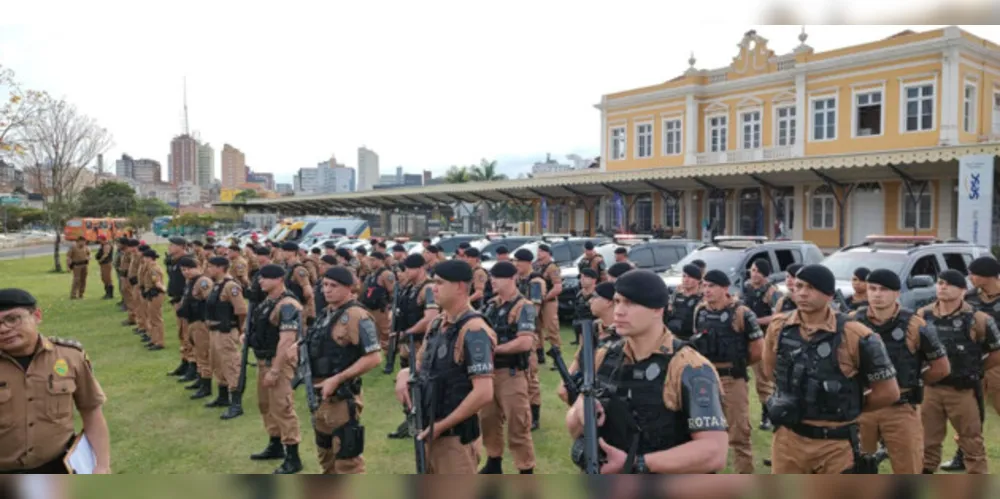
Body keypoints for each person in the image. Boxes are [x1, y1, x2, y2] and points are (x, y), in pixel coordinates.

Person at [564, 270, 730, 474]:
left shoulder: (689, 367)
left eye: (631, 303)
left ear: (657, 310)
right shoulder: (603, 356)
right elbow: (574, 427)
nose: (619, 311)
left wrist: (635, 463)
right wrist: (581, 412)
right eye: (617, 301)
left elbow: (714, 452)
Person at [761, 264, 900, 474]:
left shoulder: (857, 335)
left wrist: (846, 404)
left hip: (836, 443)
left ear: (828, 294)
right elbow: (770, 370)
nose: (802, 293)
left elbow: (888, 392)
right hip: (788, 439)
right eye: (798, 286)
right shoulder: (779, 327)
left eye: (811, 287)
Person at [394, 260, 498, 474]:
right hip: (430, 428)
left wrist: (441, 426)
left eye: (440, 283)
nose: (433, 288)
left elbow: (484, 392)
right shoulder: (438, 324)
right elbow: (421, 364)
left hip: (454, 439)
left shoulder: (474, 330)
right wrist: (404, 373)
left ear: (460, 287)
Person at [849, 268, 951, 474]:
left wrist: (911, 381)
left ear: (897, 293)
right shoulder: (851, 322)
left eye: (884, 289)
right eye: (872, 288)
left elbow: (941, 368)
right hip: (862, 407)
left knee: (908, 468)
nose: (877, 294)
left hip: (900, 408)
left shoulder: (915, 324)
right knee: (856, 469)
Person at [0, 288, 111, 473]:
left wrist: (102, 464)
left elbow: (91, 410)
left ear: (36, 316)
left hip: (58, 467)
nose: (3, 329)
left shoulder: (70, 357)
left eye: (12, 319)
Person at [918, 269, 1000, 474]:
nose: (943, 287)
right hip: (931, 389)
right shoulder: (923, 315)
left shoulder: (978, 319)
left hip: (963, 390)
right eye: (940, 283)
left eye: (949, 284)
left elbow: (996, 351)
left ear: (963, 290)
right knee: (926, 443)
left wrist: (976, 369)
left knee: (972, 443)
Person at [307, 267, 382, 474]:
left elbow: (374, 357)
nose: (327, 290)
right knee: (326, 456)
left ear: (349, 288)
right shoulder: (326, 313)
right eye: (324, 285)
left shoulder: (356, 315)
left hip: (341, 397)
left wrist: (338, 378)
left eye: (334, 286)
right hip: (319, 396)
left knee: (347, 461)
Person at [689, 269, 764, 474]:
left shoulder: (742, 313)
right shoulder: (700, 311)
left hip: (732, 378)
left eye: (711, 286)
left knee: (739, 435)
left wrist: (738, 364)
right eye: (704, 285)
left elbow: (758, 349)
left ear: (724, 288)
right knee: (703, 433)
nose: (706, 290)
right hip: (706, 379)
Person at [478, 261, 537, 474]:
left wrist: (494, 350)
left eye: (498, 277)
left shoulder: (524, 307)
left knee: (517, 424)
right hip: (487, 373)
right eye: (492, 277)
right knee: (488, 420)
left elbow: (525, 342)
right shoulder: (491, 305)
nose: (493, 281)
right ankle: (494, 462)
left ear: (512, 279)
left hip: (511, 374)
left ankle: (525, 469)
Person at [246, 264, 304, 474]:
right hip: (264, 360)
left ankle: (293, 456)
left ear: (279, 279)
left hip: (278, 362)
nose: (260, 281)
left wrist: (275, 370)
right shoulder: (266, 302)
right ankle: (275, 443)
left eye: (265, 278)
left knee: (282, 407)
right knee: (265, 405)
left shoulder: (288, 305)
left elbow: (287, 341)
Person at [946, 256, 1000, 471]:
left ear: (987, 276)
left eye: (973, 274)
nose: (969, 278)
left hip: (997, 362)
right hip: (972, 362)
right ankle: (963, 456)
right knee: (969, 413)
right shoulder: (969, 298)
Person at [387, 253, 438, 440]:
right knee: (406, 383)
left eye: (409, 268)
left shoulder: (429, 288)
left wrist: (407, 332)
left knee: (421, 384)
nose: (405, 272)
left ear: (420, 268)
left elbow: (430, 318)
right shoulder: (409, 288)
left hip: (419, 343)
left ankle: (422, 422)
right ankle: (410, 419)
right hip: (406, 344)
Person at [199, 257, 248, 418]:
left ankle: (236, 403)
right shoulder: (217, 285)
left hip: (226, 331)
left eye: (211, 266)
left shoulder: (231, 286)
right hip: (214, 331)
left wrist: (240, 331)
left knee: (231, 365)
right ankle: (222, 396)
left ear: (221, 268)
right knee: (217, 363)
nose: (208, 269)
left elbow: (241, 310)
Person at [738, 258, 780, 431]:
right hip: (743, 339)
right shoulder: (746, 288)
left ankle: (767, 415)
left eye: (757, 271)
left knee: (764, 381)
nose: (753, 274)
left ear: (764, 274)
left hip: (762, 339)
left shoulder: (771, 291)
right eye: (752, 270)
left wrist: (755, 320)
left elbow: (778, 315)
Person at [515, 248, 546, 431]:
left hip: (528, 330)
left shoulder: (535, 282)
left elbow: (534, 310)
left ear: (528, 263)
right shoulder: (518, 280)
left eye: (519, 261)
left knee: (531, 375)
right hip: (517, 330)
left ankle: (535, 416)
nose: (517, 265)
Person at [177, 257, 214, 392]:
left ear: (197, 267)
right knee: (197, 352)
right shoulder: (190, 282)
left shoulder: (203, 281)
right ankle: (200, 378)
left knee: (203, 353)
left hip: (200, 322)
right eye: (183, 270)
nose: (186, 272)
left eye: (189, 269)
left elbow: (210, 301)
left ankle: (206, 383)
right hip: (191, 321)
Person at [166, 237, 195, 377]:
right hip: (176, 300)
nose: (169, 247)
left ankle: (193, 365)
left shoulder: (187, 261)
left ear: (181, 246)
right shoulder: (174, 261)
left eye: (172, 245)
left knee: (188, 334)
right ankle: (185, 361)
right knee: (181, 333)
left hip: (184, 301)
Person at [532, 244, 562, 365]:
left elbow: (558, 287)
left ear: (548, 253)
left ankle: (557, 358)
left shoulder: (552, 267)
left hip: (548, 302)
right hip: (536, 301)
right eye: (538, 251)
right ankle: (540, 354)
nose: (539, 253)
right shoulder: (536, 266)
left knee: (551, 329)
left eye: (542, 251)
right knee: (536, 327)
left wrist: (544, 298)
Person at [359, 251, 395, 350]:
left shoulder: (386, 274)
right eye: (370, 260)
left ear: (381, 261)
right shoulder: (372, 274)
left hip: (381, 309)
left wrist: (390, 306)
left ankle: (389, 351)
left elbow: (392, 292)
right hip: (370, 308)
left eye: (373, 260)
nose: (370, 262)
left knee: (385, 332)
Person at [665, 264, 703, 340]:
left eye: (689, 277)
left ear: (698, 280)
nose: (686, 279)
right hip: (672, 335)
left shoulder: (702, 298)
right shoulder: (677, 295)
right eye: (684, 276)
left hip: (690, 337)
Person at [282, 242, 315, 327]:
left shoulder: (299, 269)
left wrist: (309, 312)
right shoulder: (288, 268)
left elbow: (308, 292)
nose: (281, 253)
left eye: (284, 251)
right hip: (290, 307)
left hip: (299, 308)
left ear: (292, 253)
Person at [140, 249, 167, 351]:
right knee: (152, 318)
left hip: (155, 294)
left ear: (149, 258)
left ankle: (159, 342)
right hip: (151, 294)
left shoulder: (153, 269)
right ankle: (154, 339)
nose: (144, 259)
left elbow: (157, 282)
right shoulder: (150, 268)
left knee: (156, 319)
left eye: (145, 257)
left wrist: (163, 290)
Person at [571, 269, 598, 345]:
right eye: (581, 277)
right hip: (581, 326)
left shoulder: (598, 294)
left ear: (594, 280)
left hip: (594, 327)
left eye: (585, 277)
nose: (582, 280)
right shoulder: (579, 294)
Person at [95, 235, 115, 300]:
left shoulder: (107, 245)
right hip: (103, 264)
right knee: (104, 278)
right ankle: (107, 293)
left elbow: (106, 254)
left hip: (106, 263)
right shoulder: (102, 245)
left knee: (107, 278)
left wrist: (100, 260)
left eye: (99, 239)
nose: (98, 241)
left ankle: (110, 294)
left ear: (102, 239)